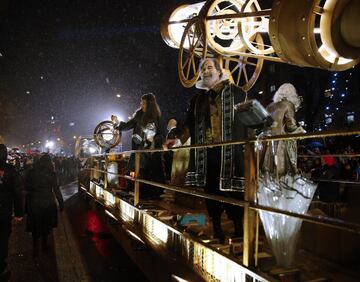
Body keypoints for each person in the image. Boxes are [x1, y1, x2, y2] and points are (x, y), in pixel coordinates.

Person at [170, 58, 249, 242]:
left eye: (209, 67)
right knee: (211, 192)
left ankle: (239, 230)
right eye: (203, 68)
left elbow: (248, 119)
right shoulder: (198, 100)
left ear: (219, 71)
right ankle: (218, 230)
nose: (205, 71)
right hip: (207, 153)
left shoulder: (238, 93)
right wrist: (179, 141)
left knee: (234, 192)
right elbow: (189, 124)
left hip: (230, 152)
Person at [111, 93, 166, 199]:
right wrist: (117, 122)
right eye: (141, 102)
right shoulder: (138, 116)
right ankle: (140, 194)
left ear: (150, 104)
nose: (141, 104)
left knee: (153, 174)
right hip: (139, 151)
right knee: (139, 173)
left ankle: (153, 195)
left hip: (152, 152)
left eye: (144, 103)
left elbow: (162, 135)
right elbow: (127, 126)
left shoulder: (157, 118)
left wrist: (153, 140)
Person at [261, 83, 305, 177]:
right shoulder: (289, 105)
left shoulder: (270, 106)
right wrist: (301, 131)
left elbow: (265, 125)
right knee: (284, 174)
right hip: (282, 145)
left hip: (267, 144)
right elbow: (291, 126)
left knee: (268, 173)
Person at [25, 154, 64, 261]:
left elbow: (26, 187)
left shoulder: (32, 172)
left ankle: (35, 252)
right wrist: (61, 204)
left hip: (34, 202)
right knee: (46, 224)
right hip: (48, 202)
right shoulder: (52, 173)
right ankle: (44, 244)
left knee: (35, 227)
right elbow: (56, 189)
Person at [0, 144, 23, 281]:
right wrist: (19, 213)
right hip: (4, 211)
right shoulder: (10, 170)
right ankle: (1, 266)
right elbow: (17, 193)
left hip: (4, 210)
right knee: (3, 238)